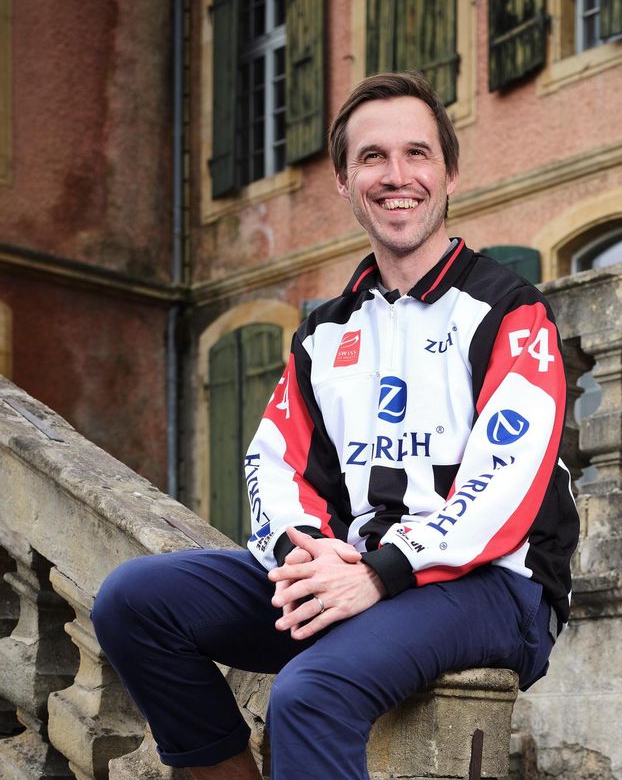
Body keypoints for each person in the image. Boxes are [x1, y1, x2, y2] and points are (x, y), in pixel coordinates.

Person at [93, 72, 579, 780]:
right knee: (133, 601)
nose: (396, 175)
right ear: (344, 182)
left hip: (496, 585)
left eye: (417, 154)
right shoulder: (325, 330)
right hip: (355, 571)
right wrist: (317, 557)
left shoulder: (510, 311)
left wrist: (380, 573)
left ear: (449, 173)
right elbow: (275, 463)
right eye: (372, 158)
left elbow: (504, 490)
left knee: (310, 694)